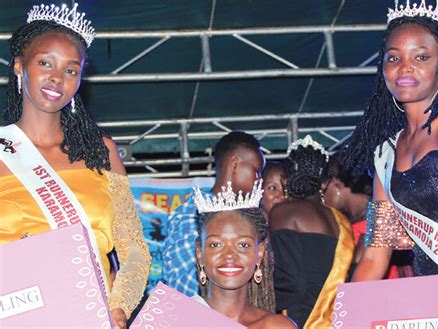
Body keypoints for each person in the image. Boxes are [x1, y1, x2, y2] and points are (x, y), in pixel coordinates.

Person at [0, 4, 151, 328]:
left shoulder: (101, 151)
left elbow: (135, 250)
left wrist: (119, 306)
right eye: (45, 63)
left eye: (71, 69)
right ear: (18, 67)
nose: (57, 77)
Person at [340, 0, 438, 326]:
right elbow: (376, 253)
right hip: (429, 303)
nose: (405, 67)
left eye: (421, 57)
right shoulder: (385, 152)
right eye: (394, 57)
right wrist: (346, 319)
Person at [162, 132, 267, 301]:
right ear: (234, 164)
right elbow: (184, 284)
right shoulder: (193, 212)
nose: (259, 180)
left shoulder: (248, 217)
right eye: (256, 171)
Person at [270, 135, 354, 328]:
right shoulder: (341, 220)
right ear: (325, 183)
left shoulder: (283, 213)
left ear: (284, 180)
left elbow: (288, 281)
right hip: (337, 320)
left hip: (300, 319)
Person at [194, 180, 296, 328]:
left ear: (259, 254)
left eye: (243, 245)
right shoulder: (173, 320)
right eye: (216, 244)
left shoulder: (277, 326)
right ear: (200, 255)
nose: (229, 255)